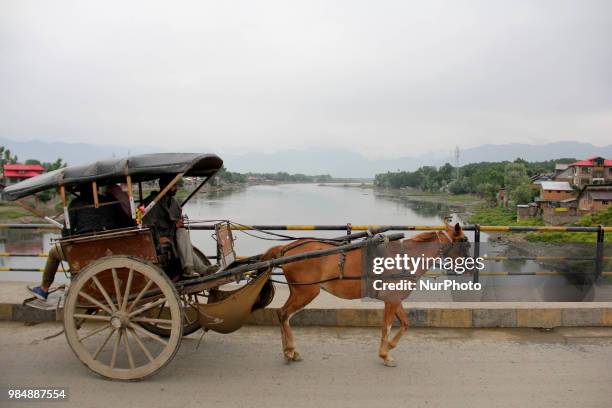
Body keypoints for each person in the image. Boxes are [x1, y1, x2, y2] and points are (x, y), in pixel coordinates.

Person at [27, 184, 134, 300]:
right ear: (97, 188)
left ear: (80, 191)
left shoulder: (75, 204)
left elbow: (67, 232)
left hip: (84, 252)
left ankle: (44, 289)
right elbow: (126, 223)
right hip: (111, 250)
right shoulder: (110, 201)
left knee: (53, 252)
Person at [142, 175, 206, 278]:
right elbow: (145, 226)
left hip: (171, 235)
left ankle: (191, 268)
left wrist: (178, 224)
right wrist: (158, 239)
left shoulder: (173, 202)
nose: (176, 188)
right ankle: (195, 268)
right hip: (158, 238)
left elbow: (175, 221)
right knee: (183, 239)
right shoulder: (151, 202)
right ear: (164, 186)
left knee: (182, 232)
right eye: (174, 185)